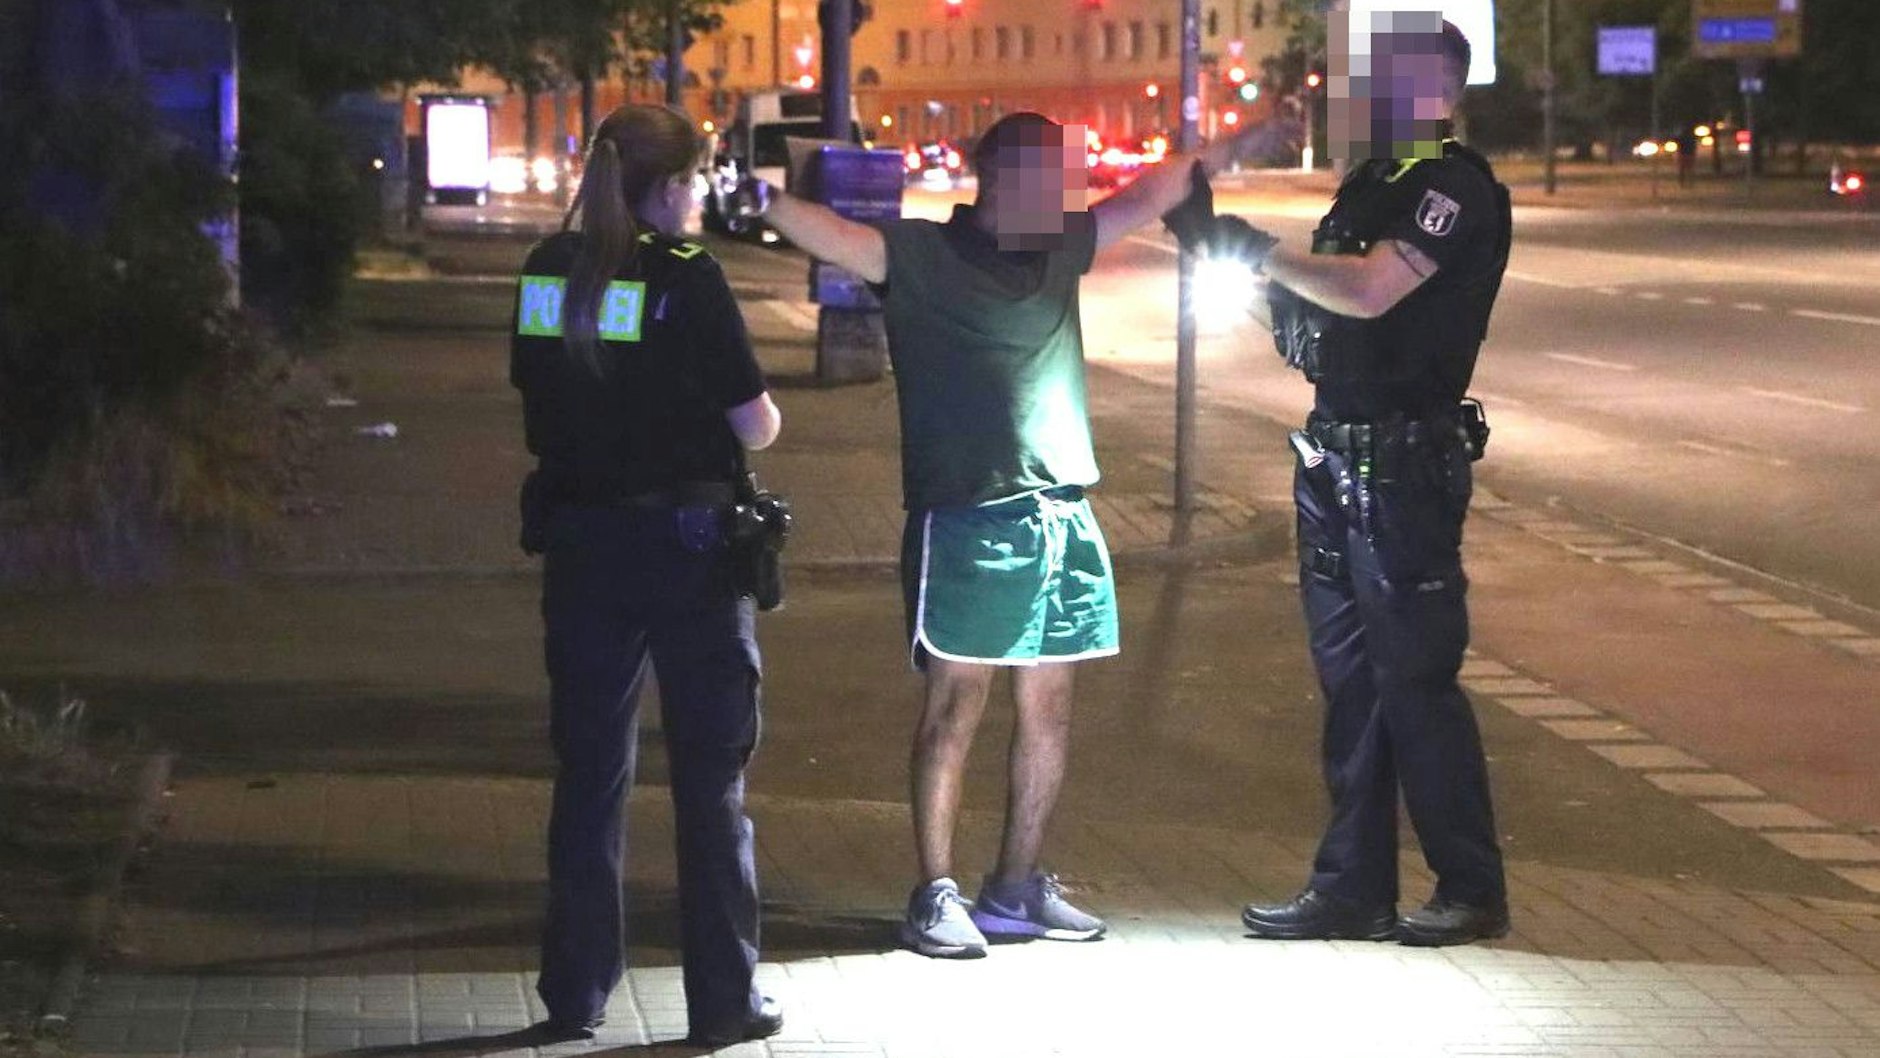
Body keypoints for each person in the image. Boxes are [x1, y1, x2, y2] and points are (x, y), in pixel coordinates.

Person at [734, 113, 1235, 958]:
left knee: (1050, 711)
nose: (1070, 196)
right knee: (956, 707)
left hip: (1064, 514)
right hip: (970, 516)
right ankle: (934, 893)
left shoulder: (1060, 246)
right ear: (1001, 178)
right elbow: (836, 238)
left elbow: (1151, 191)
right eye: (1054, 179)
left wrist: (1225, 149)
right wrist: (758, 198)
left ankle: (1015, 886)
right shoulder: (921, 256)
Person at [1196, 16, 1514, 947]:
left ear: (1437, 88)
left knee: (1415, 681)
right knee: (1352, 685)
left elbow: (1372, 290)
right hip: (1333, 455)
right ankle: (1352, 888)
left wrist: (1262, 251)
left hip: (1404, 468)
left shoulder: (1452, 189)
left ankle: (1471, 888)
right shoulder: (1373, 185)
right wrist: (1227, 256)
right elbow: (1317, 316)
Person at [509, 103, 786, 1043]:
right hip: (689, 549)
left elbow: (539, 394)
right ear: (668, 186)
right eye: (694, 180)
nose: (698, 197)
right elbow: (755, 423)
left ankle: (575, 992)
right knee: (710, 781)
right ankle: (722, 1003)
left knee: (590, 773)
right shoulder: (686, 275)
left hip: (583, 545)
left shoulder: (548, 269)